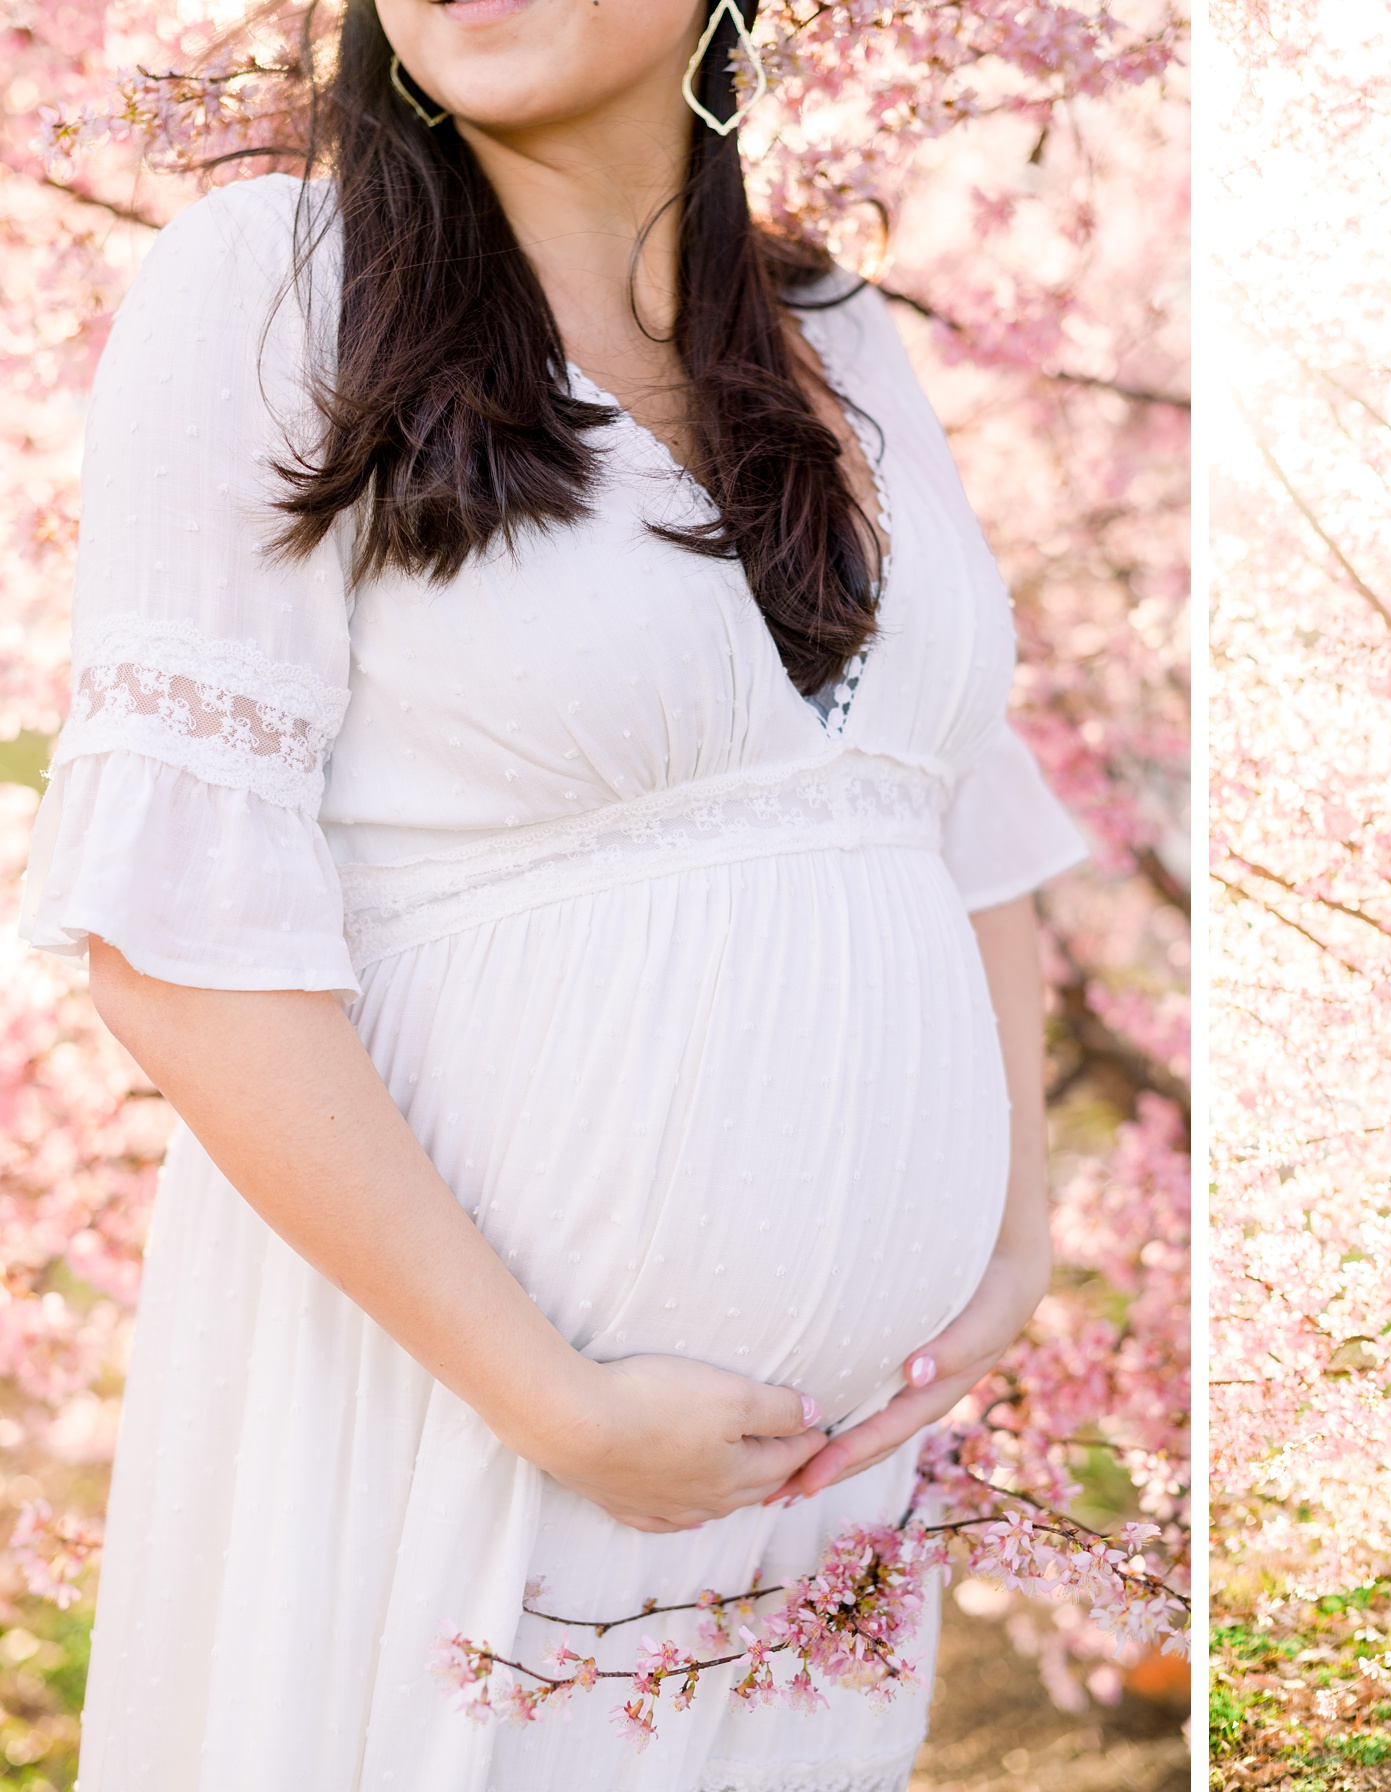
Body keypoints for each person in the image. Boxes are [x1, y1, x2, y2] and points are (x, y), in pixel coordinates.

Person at [18, 2, 1086, 1787]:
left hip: (820, 1478)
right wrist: (559, 1403)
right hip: (475, 1415)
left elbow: (952, 806)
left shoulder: (841, 333)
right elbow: (178, 937)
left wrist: (1016, 1232)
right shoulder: (276, 284)